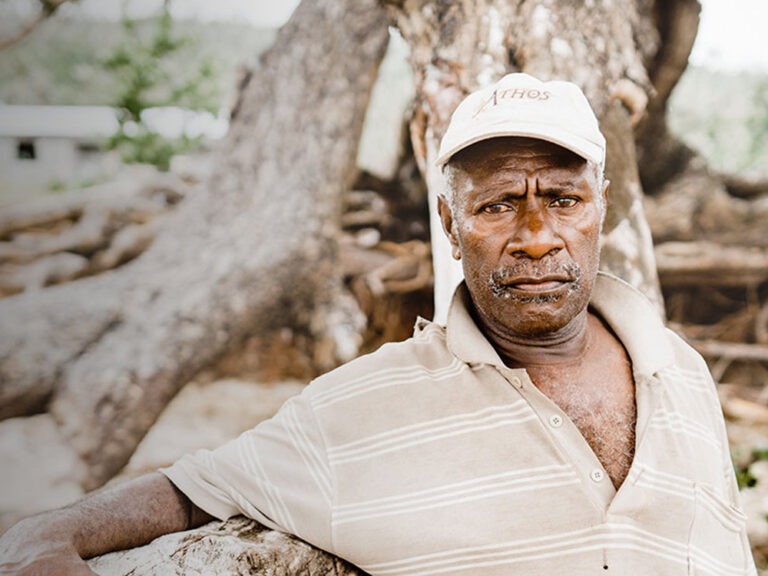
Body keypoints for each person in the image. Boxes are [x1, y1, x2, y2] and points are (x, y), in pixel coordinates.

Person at [0, 73, 756, 575]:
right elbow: (190, 487)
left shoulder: (680, 371)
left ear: (603, 206)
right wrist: (47, 533)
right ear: (449, 226)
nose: (535, 236)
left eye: (562, 198)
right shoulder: (364, 408)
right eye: (496, 205)